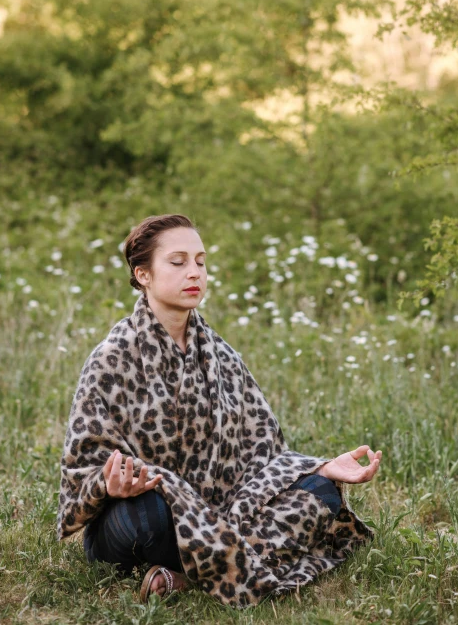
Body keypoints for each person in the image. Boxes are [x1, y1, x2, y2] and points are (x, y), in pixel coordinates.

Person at [57, 214, 381, 608]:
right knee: (149, 512)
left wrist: (316, 468)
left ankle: (186, 575)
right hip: (147, 523)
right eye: (178, 262)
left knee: (322, 494)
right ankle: (233, 558)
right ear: (143, 274)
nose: (194, 272)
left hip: (226, 515)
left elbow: (265, 453)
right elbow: (81, 468)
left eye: (200, 261)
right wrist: (108, 486)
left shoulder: (222, 356)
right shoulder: (110, 359)